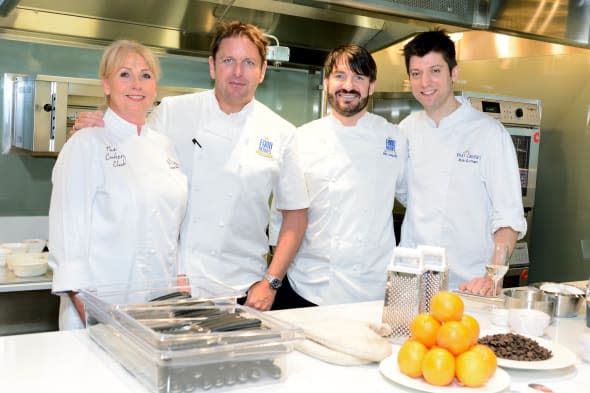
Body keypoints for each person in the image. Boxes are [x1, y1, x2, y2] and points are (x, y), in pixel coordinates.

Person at [74, 21, 309, 311]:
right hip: (173, 286)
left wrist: (271, 282)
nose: (238, 72)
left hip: (244, 290)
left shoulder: (282, 132)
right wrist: (99, 130)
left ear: (262, 72)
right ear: (212, 66)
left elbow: (296, 215)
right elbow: (128, 151)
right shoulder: (173, 111)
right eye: (228, 61)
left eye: (248, 62)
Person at [49, 40, 189, 330]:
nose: (136, 84)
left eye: (146, 75)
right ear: (106, 85)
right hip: (100, 311)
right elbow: (67, 240)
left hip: (157, 308)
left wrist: (179, 282)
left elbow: (171, 229)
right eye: (125, 74)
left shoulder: (164, 146)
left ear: (155, 88)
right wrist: (94, 316)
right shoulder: (86, 143)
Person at [269, 45, 408, 308]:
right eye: (340, 76)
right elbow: (280, 216)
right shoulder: (301, 139)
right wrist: (275, 278)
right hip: (309, 286)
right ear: (326, 83)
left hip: (373, 289)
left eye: (359, 77)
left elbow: (415, 200)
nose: (349, 85)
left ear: (371, 86)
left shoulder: (394, 138)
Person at [399, 29, 527, 295]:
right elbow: (405, 195)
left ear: (453, 72)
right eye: (416, 73)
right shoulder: (406, 130)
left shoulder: (489, 134)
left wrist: (493, 275)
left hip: (470, 286)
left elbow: (509, 217)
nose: (425, 82)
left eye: (435, 70)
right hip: (412, 283)